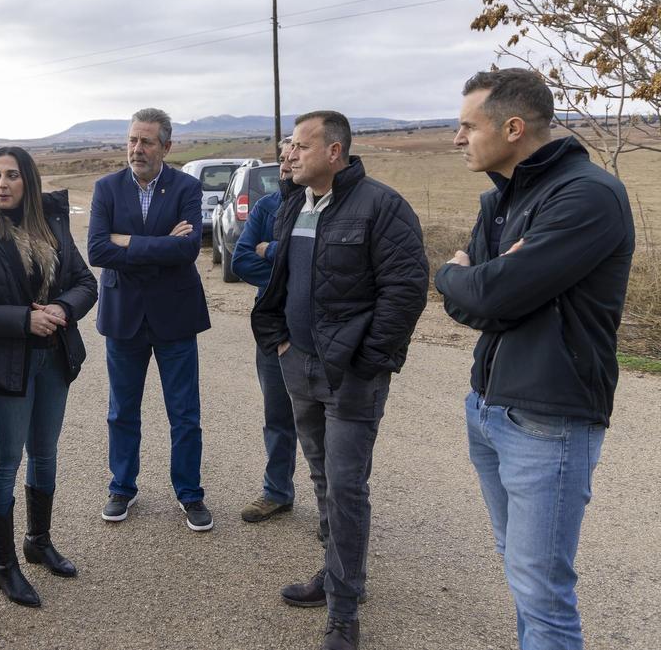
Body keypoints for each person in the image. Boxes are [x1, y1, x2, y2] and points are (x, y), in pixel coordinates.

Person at [436, 69, 635, 650]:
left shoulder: (587, 196)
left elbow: (488, 293)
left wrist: (457, 275)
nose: (457, 138)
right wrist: (476, 284)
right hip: (489, 407)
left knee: (542, 593)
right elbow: (475, 304)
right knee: (522, 575)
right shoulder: (502, 199)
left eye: (468, 126)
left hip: (548, 419)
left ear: (513, 128)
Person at [251, 111, 428, 650]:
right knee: (324, 480)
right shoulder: (293, 206)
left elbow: (406, 289)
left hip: (351, 375)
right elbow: (277, 280)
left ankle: (344, 612)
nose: (289, 155)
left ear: (334, 152)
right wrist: (280, 340)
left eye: (301, 147)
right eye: (290, 147)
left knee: (347, 488)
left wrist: (368, 360)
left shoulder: (381, 205)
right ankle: (333, 575)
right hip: (298, 365)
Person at [0, 146, 98, 607]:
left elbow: (85, 283)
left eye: (12, 175)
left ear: (28, 182)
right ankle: (4, 565)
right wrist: (22, 320)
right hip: (2, 364)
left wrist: (62, 308)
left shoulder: (52, 224)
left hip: (53, 359)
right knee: (4, 463)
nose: (1, 184)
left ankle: (38, 541)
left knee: (45, 454)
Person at [87, 107, 213, 531]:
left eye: (147, 142)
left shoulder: (187, 188)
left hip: (175, 316)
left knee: (185, 413)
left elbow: (188, 250)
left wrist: (128, 243)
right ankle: (122, 487)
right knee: (122, 410)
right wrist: (157, 244)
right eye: (132, 140)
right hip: (123, 317)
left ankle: (190, 493)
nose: (137, 149)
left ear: (167, 146)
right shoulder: (106, 188)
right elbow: (98, 251)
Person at [230, 140, 299, 524]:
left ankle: (334, 508)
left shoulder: (327, 208)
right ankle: (277, 492)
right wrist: (293, 277)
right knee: (278, 415)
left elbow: (326, 264)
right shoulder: (265, 206)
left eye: (295, 152)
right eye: (282, 155)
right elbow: (241, 260)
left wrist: (270, 251)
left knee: (326, 425)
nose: (287, 161)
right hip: (274, 327)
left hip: (317, 330)